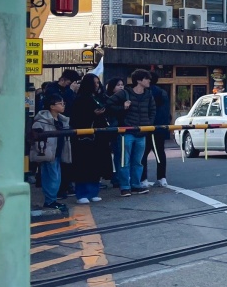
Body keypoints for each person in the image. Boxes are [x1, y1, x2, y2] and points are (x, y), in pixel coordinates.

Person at [109, 69, 156, 196]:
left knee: (138, 161)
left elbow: (153, 109)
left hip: (142, 132)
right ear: (139, 80)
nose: (149, 81)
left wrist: (148, 123)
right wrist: (122, 108)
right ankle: (125, 186)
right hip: (127, 131)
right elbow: (108, 104)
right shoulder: (124, 93)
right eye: (146, 78)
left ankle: (135, 185)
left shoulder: (148, 94)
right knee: (125, 160)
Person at [67, 74, 109, 203]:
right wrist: (92, 114)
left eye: (98, 83)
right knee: (83, 165)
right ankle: (82, 193)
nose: (97, 85)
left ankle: (93, 192)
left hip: (98, 137)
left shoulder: (97, 97)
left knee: (95, 165)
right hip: (83, 138)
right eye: (95, 83)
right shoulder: (80, 99)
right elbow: (76, 118)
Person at [30, 94, 71, 213]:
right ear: (52, 106)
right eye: (60, 103)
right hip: (47, 153)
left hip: (58, 152)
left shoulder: (62, 120)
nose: (63, 105)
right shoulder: (41, 120)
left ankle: (51, 200)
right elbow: (35, 137)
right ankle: (50, 201)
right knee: (52, 177)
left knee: (56, 176)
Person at [142, 72, 171, 187]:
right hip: (161, 127)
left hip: (147, 126)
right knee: (160, 153)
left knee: (143, 154)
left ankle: (143, 179)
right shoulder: (163, 92)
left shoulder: (146, 92)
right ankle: (162, 178)